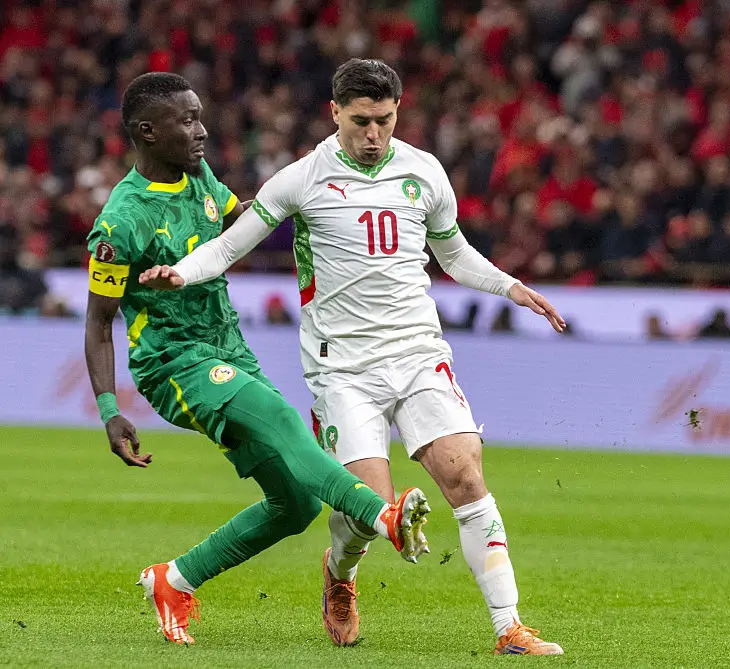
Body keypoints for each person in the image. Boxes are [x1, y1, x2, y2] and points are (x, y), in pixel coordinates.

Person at [140, 59, 566, 655]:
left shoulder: (424, 171)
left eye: (384, 121)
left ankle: (508, 627)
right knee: (369, 510)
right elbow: (229, 247)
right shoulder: (301, 179)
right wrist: (180, 274)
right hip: (342, 367)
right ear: (334, 112)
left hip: (418, 352)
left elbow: (453, 253)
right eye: (361, 121)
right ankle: (340, 575)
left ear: (398, 112)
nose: (373, 134)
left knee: (466, 476)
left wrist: (509, 286)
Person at [84, 72, 431, 646]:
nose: (201, 130)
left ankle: (174, 579)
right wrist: (108, 409)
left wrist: (304, 193)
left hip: (228, 350)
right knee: (279, 417)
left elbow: (239, 221)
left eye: (199, 116)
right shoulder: (121, 222)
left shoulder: (198, 176)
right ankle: (382, 515)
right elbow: (99, 322)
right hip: (174, 364)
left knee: (294, 504)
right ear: (147, 132)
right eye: (186, 121)